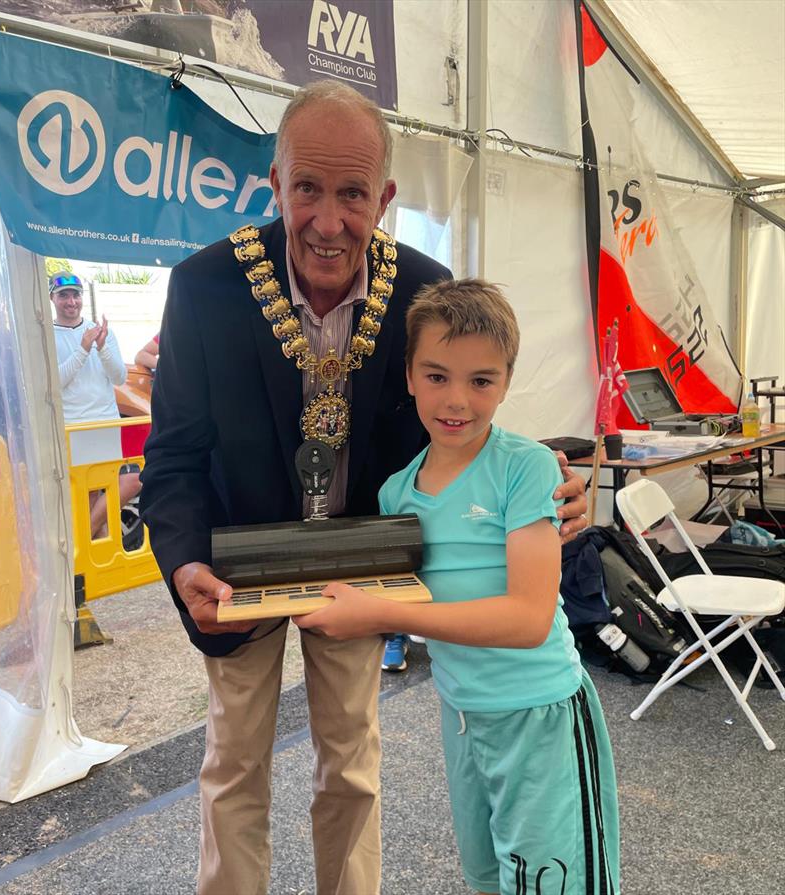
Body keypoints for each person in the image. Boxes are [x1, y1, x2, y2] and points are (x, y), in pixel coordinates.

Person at [139, 81, 589, 895]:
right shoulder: (205, 286)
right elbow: (171, 458)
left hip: (361, 566)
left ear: (383, 198)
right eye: (307, 187)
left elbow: (460, 421)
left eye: (353, 193)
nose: (328, 219)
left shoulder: (423, 285)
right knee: (233, 764)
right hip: (238, 566)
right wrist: (181, 564)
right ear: (274, 183)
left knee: (351, 763)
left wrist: (547, 478)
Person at [295, 279, 620, 895]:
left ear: (507, 379)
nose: (457, 401)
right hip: (464, 716)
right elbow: (371, 587)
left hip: (540, 712)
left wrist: (378, 614)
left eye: (481, 381)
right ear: (410, 375)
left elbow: (527, 620)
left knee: (550, 883)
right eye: (437, 376)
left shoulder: (525, 466)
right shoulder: (397, 493)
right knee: (490, 878)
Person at [50, 272, 140, 537]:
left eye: (75, 294)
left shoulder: (101, 331)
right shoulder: (46, 335)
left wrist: (101, 347)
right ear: (53, 299)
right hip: (74, 427)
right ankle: (91, 562)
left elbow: (119, 377)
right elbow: (57, 382)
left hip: (106, 424)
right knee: (87, 499)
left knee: (124, 484)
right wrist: (83, 349)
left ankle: (81, 544)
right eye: (64, 295)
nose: (71, 301)